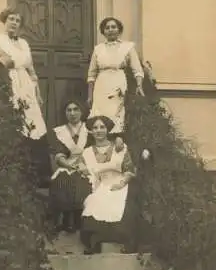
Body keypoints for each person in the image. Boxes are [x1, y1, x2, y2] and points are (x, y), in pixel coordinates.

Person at [0, 7, 50, 184]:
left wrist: (38, 93)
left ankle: (34, 174)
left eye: (17, 20)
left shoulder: (24, 43)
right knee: (14, 122)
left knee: (33, 124)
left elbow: (32, 71)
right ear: (4, 21)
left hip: (27, 86)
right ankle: (13, 171)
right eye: (11, 19)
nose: (14, 23)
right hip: (8, 84)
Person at [79, 116, 138, 254]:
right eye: (95, 128)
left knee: (119, 204)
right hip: (99, 185)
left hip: (119, 182)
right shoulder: (87, 152)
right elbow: (85, 172)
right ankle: (96, 240)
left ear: (108, 130)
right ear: (91, 131)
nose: (98, 130)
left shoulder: (120, 148)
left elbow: (129, 170)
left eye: (102, 127)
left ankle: (122, 239)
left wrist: (122, 183)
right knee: (94, 202)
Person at [87, 17, 145, 137]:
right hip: (101, 85)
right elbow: (91, 74)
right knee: (100, 114)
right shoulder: (98, 49)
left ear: (119, 30)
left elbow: (137, 69)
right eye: (107, 28)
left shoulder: (128, 47)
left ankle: (115, 142)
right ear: (103, 31)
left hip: (118, 83)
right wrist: (90, 95)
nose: (110, 30)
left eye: (113, 27)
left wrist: (139, 85)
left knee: (116, 114)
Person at [48, 99, 93, 233]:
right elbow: (58, 153)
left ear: (82, 111)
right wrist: (68, 165)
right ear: (65, 113)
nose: (72, 113)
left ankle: (80, 219)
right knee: (63, 178)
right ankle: (66, 218)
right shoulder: (58, 132)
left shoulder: (90, 129)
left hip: (87, 165)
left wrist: (83, 166)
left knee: (83, 180)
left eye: (76, 109)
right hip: (66, 165)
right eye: (69, 110)